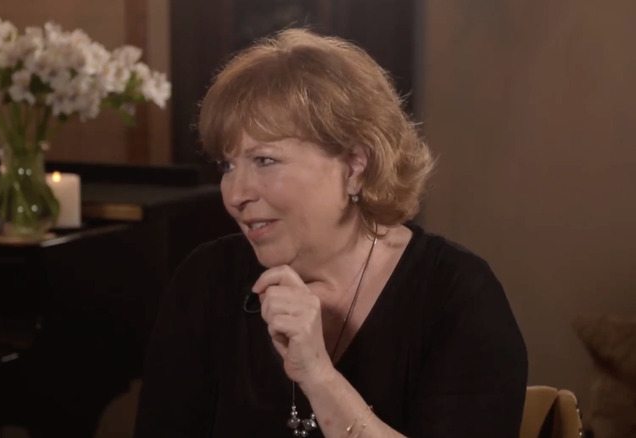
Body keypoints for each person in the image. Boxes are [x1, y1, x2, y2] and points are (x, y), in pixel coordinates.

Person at [133, 27, 527, 438]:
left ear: (355, 165)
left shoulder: (457, 296)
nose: (235, 194)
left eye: (265, 160)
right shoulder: (205, 282)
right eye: (228, 166)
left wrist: (319, 375)